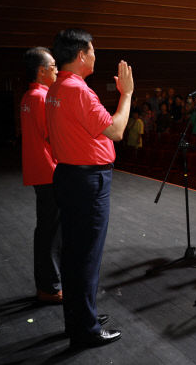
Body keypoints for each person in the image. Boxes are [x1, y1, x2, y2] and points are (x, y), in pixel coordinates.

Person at [46, 28, 131, 347]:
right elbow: (117, 130)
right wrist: (127, 94)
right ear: (81, 55)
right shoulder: (78, 90)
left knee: (74, 254)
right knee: (86, 257)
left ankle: (80, 317)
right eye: (93, 51)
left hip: (69, 175)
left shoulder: (57, 87)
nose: (96, 56)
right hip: (87, 181)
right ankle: (85, 330)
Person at [20, 47, 61, 304]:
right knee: (51, 233)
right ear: (42, 71)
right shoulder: (40, 97)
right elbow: (53, 134)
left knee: (47, 230)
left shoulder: (28, 96)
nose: (57, 70)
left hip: (40, 171)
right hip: (49, 171)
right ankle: (49, 286)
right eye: (54, 66)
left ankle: (48, 284)